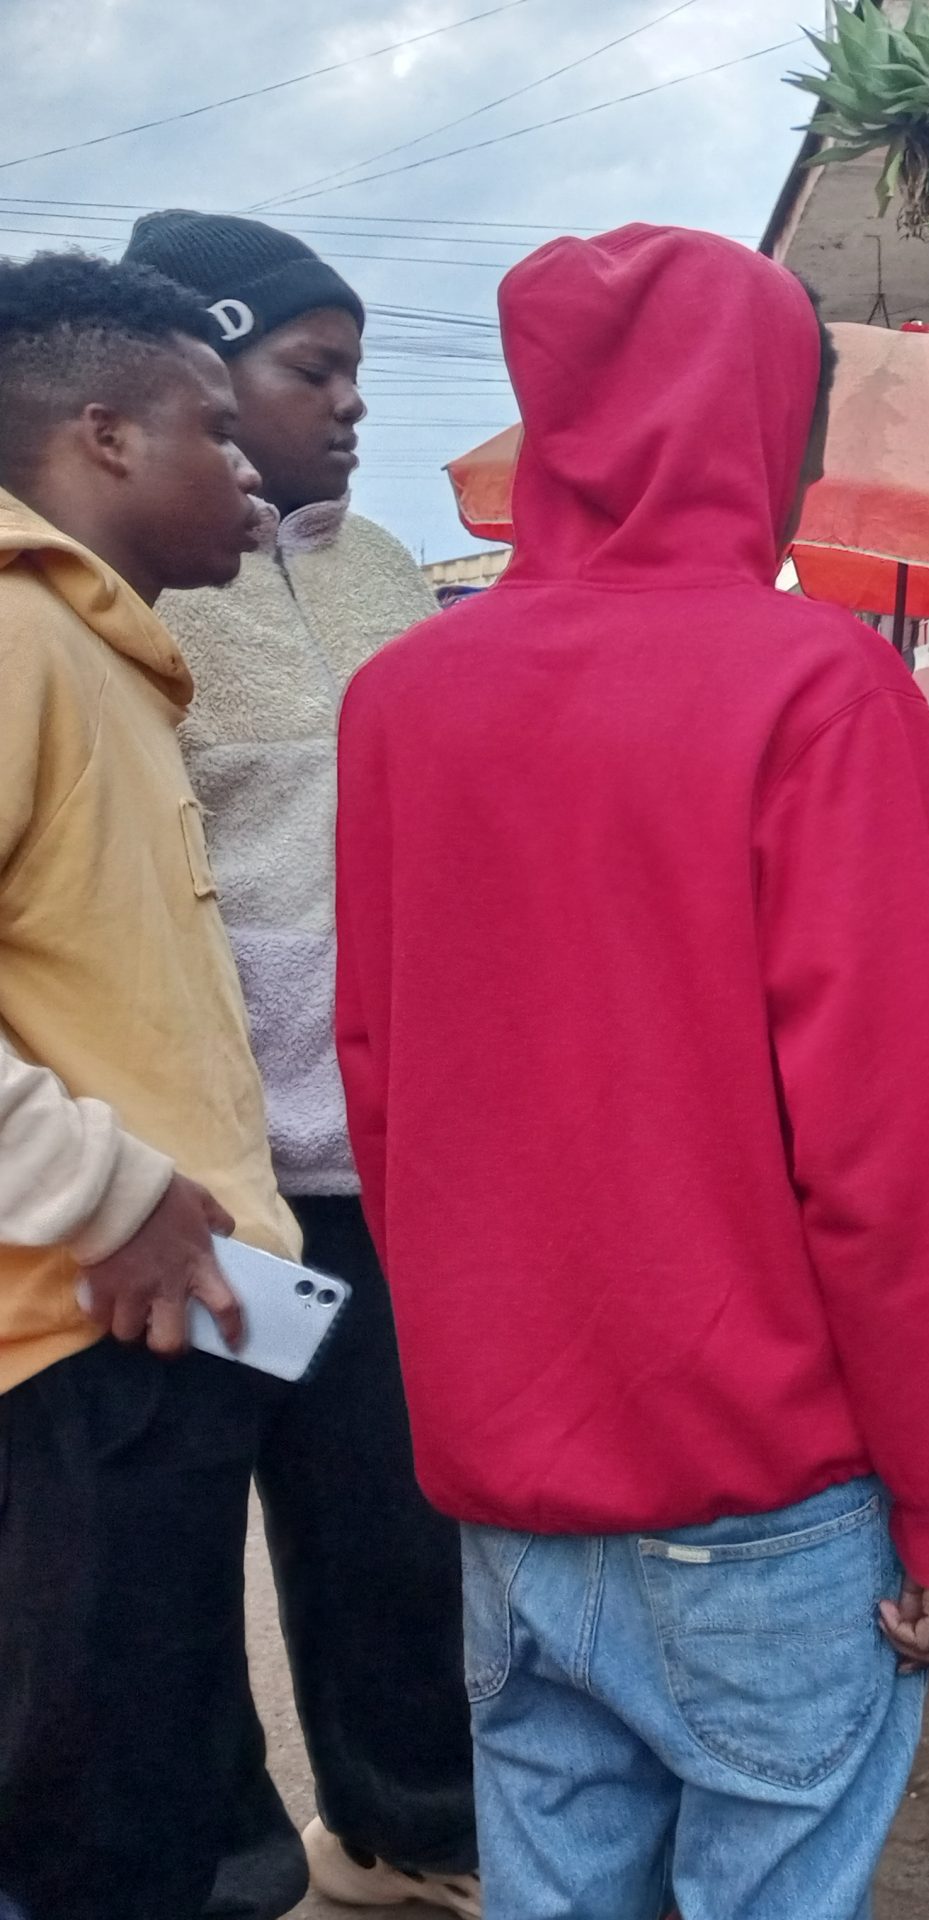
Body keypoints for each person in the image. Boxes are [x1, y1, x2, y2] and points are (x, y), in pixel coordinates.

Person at [333, 225, 929, 1917]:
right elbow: (881, 1151)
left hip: (515, 1487)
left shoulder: (401, 701)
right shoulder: (818, 686)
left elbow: (384, 1096)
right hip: (767, 1499)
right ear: (759, 428)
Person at [122, 208, 478, 1918]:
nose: (347, 403)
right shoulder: (119, 594)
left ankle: (399, 1826)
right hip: (194, 1180)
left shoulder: (388, 565)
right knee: (182, 1543)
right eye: (309, 367)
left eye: (358, 369)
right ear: (199, 364)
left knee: (385, 1522)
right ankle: (236, 1867)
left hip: (381, 1162)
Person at [0, 252, 305, 1920]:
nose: (252, 461)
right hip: (78, 1354)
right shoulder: (14, 636)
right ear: (100, 435)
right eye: (214, 424)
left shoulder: (96, 653)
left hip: (162, 1332)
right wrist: (108, 1193)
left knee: (156, 1797)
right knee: (96, 1836)